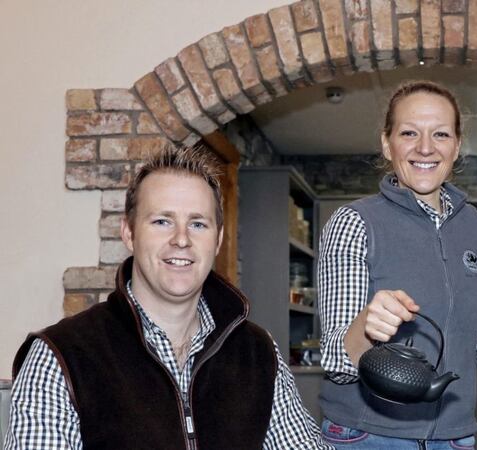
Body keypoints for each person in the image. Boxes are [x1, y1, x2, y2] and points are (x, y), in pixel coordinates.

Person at [4, 144, 331, 449]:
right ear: (128, 233)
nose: (181, 240)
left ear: (217, 242)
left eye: (198, 224)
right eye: (162, 221)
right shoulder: (59, 357)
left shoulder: (259, 352)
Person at [316, 80, 477, 449]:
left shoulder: (476, 226)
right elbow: (335, 356)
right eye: (409, 132)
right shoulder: (354, 222)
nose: (425, 147)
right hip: (368, 437)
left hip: (454, 437)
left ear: (457, 145)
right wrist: (366, 326)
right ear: (387, 142)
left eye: (440, 134)